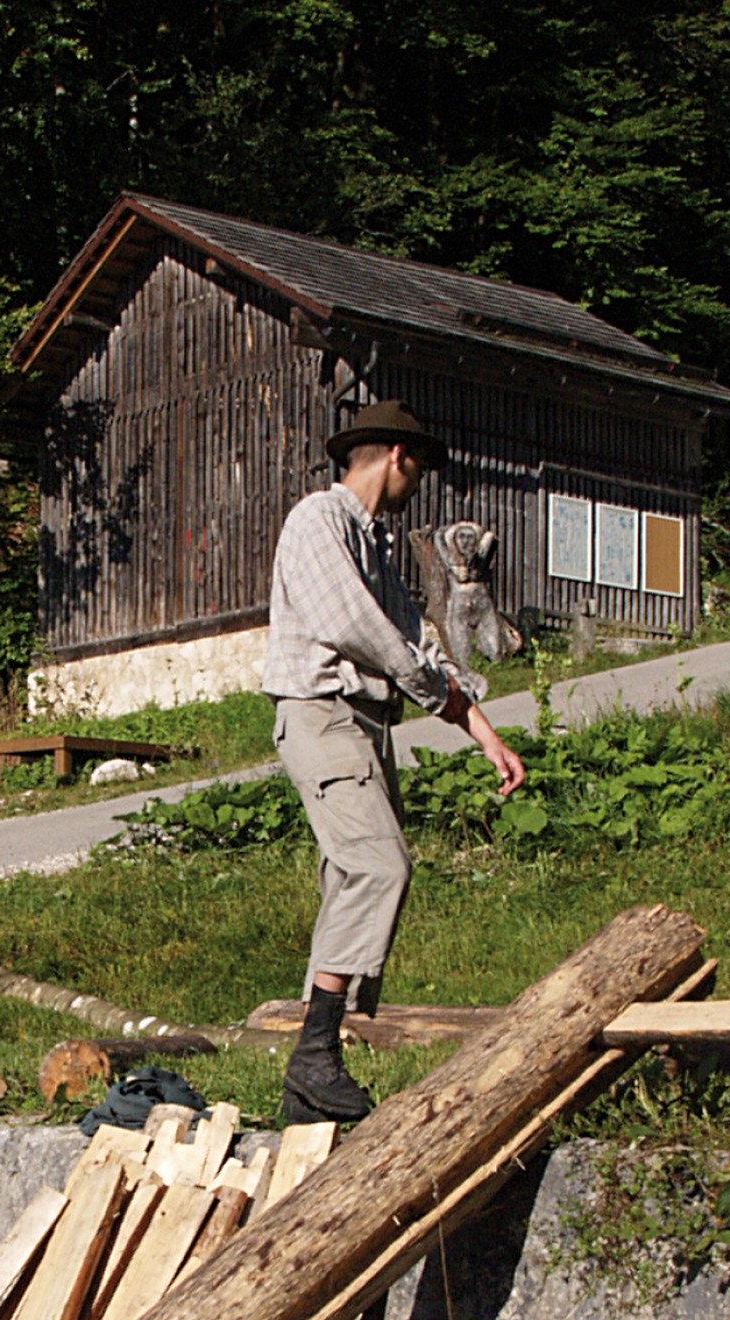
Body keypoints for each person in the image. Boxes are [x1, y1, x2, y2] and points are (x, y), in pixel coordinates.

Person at [263, 398, 527, 1124]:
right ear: (397, 457)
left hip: (368, 724)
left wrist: (485, 734)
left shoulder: (374, 543)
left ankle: (308, 1086)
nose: (418, 484)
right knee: (379, 867)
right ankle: (314, 1053)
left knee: (350, 878)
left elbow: (419, 646)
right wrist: (420, 678)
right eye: (419, 470)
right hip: (322, 713)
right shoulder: (318, 519)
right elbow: (354, 627)